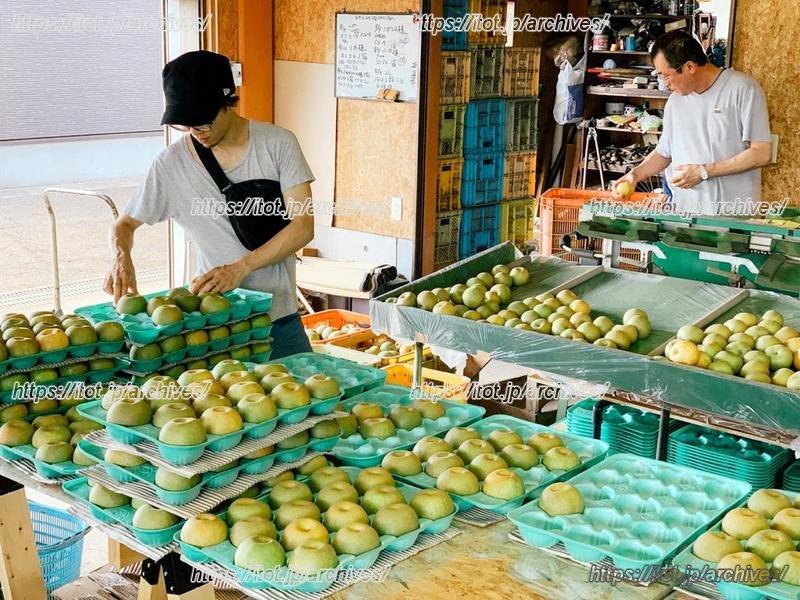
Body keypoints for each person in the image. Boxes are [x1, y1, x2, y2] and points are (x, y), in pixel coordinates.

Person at [104, 50, 315, 359]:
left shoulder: (277, 144)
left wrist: (240, 268)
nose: (196, 133)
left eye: (203, 122)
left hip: (278, 318)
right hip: (214, 327)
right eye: (186, 125)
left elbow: (303, 227)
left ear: (228, 99)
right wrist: (121, 256)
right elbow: (124, 224)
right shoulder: (170, 165)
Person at [616, 31, 772, 216]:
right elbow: (664, 153)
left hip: (734, 216)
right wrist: (636, 174)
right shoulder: (675, 102)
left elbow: (762, 153)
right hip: (687, 216)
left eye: (666, 76)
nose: (665, 84)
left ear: (690, 66)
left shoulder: (743, 89)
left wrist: (704, 172)